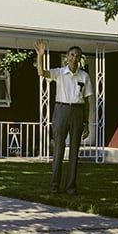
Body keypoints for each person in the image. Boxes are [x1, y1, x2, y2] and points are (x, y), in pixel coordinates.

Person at [34, 41, 94, 194]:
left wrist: (86, 123)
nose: (74, 58)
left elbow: (87, 102)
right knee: (59, 150)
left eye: (77, 56)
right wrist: (40, 56)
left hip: (78, 112)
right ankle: (54, 186)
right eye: (72, 55)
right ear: (67, 57)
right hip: (61, 110)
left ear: (80, 58)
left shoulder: (84, 76)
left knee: (74, 151)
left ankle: (71, 187)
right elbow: (42, 73)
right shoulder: (60, 73)